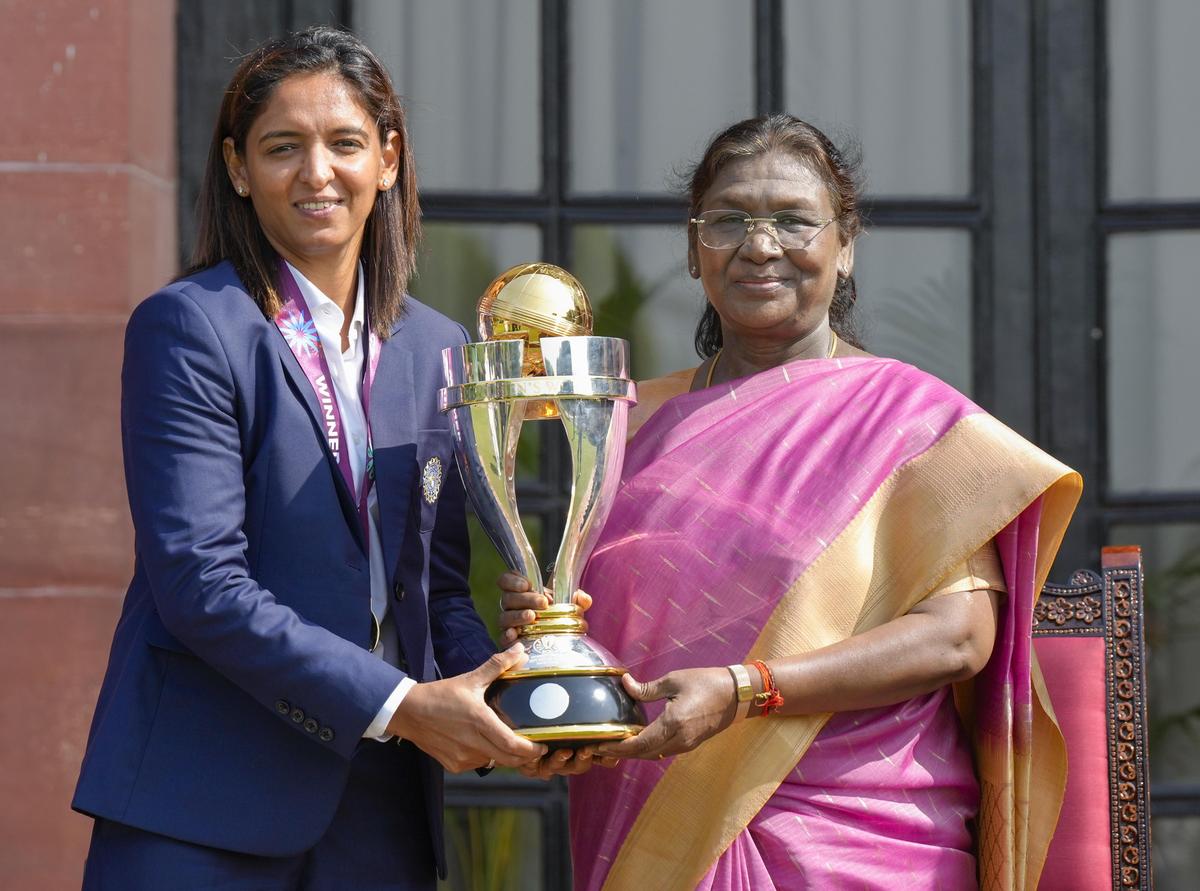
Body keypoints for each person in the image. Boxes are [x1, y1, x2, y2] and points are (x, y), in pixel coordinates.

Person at [500, 114, 1080, 889]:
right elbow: (621, 631)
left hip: (861, 843)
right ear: (693, 246)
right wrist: (549, 630)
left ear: (845, 247)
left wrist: (747, 690)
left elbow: (956, 641)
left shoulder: (909, 421)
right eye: (730, 219)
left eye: (794, 221)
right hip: (656, 825)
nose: (760, 245)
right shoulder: (628, 426)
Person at [72, 26, 544, 889]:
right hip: (204, 807)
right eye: (282, 147)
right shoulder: (191, 327)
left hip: (380, 819)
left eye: (346, 143)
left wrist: (505, 690)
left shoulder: (437, 347)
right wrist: (403, 705)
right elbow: (201, 584)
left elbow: (435, 588)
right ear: (239, 168)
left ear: (389, 160)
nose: (316, 172)